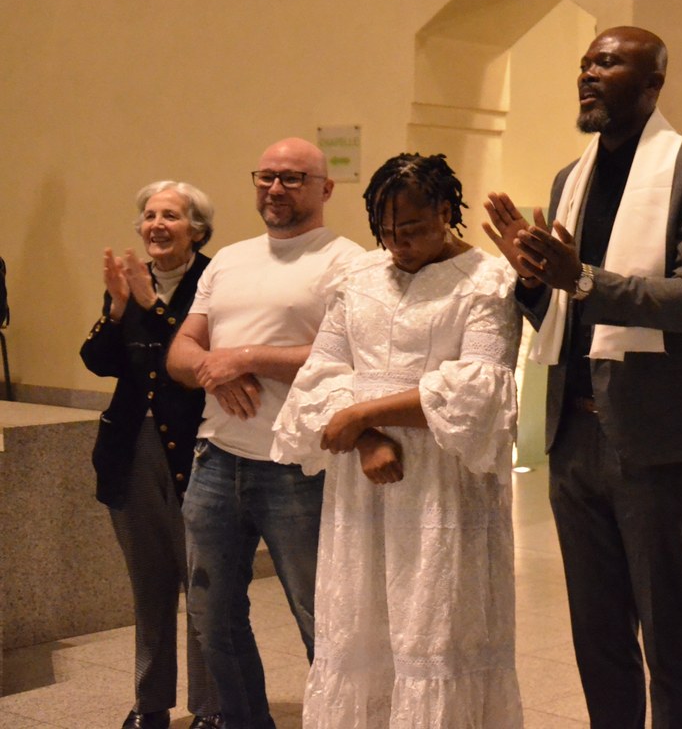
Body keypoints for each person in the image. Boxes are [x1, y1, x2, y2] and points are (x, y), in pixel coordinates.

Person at [483, 26, 682, 729]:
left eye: (608, 63)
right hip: (573, 433)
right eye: (586, 62)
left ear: (653, 83)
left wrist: (585, 278)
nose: (588, 74)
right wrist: (530, 278)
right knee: (596, 634)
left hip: (657, 438)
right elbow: (562, 312)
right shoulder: (572, 178)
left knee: (666, 630)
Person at [270, 153, 523, 728]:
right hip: (362, 483)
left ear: (445, 211)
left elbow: (478, 390)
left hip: (444, 483)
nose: (398, 244)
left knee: (437, 629)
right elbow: (321, 374)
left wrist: (364, 413)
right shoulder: (358, 277)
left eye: (411, 228)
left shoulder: (487, 280)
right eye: (386, 231)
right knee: (360, 628)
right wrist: (365, 438)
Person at [168, 138, 364, 729]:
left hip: (299, 468)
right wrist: (215, 366)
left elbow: (346, 357)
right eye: (266, 176)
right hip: (217, 459)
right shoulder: (229, 259)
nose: (276, 188)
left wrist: (243, 358)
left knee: (321, 619)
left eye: (293, 178)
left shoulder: (347, 262)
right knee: (212, 615)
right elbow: (181, 351)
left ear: (325, 188)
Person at [81, 181, 222, 729]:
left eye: (170, 216)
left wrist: (151, 306)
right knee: (150, 585)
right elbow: (100, 362)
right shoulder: (131, 280)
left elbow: (194, 362)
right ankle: (150, 703)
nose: (156, 225)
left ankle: (210, 708)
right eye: (149, 215)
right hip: (130, 448)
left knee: (204, 585)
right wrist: (118, 309)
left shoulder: (216, 278)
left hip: (199, 447)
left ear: (197, 230)